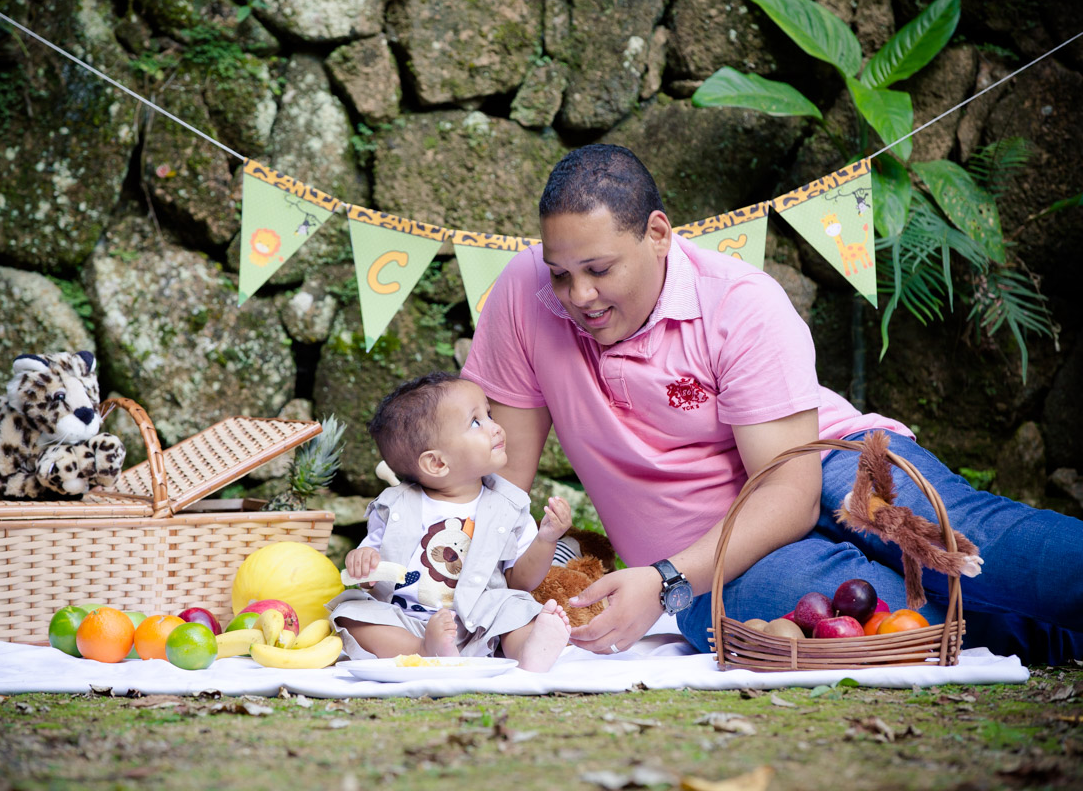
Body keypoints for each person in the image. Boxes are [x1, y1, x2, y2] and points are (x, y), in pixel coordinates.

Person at [460, 143, 1082, 665]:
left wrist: (664, 581)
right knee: (873, 618)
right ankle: (1057, 642)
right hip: (707, 560)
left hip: (824, 461)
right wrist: (448, 590)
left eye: (598, 268)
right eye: (561, 273)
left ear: (657, 234)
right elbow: (502, 486)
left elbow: (789, 491)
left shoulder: (739, 301)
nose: (579, 295)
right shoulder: (524, 294)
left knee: (974, 545)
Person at [329, 372, 575, 672]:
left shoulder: (510, 506)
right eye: (476, 422)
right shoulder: (395, 505)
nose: (495, 427)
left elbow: (520, 581)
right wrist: (362, 563)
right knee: (349, 614)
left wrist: (547, 539)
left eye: (489, 414)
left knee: (517, 608)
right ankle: (422, 649)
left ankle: (528, 651)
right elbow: (372, 574)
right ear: (437, 463)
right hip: (407, 620)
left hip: (483, 619)